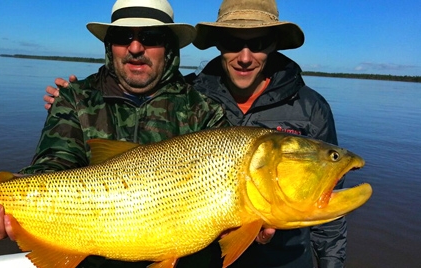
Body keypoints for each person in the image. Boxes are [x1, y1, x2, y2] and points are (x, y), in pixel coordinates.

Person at [45, 0, 346, 267]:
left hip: (284, 257)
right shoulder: (197, 92)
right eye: (123, 37)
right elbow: (58, 164)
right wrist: (68, 104)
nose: (244, 56)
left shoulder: (304, 108)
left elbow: (333, 204)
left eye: (258, 42)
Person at [0, 0, 229, 267]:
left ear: (169, 47)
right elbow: (55, 163)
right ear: (109, 45)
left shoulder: (203, 110)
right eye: (122, 37)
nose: (135, 48)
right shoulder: (75, 98)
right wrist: (10, 188)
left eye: (151, 37)